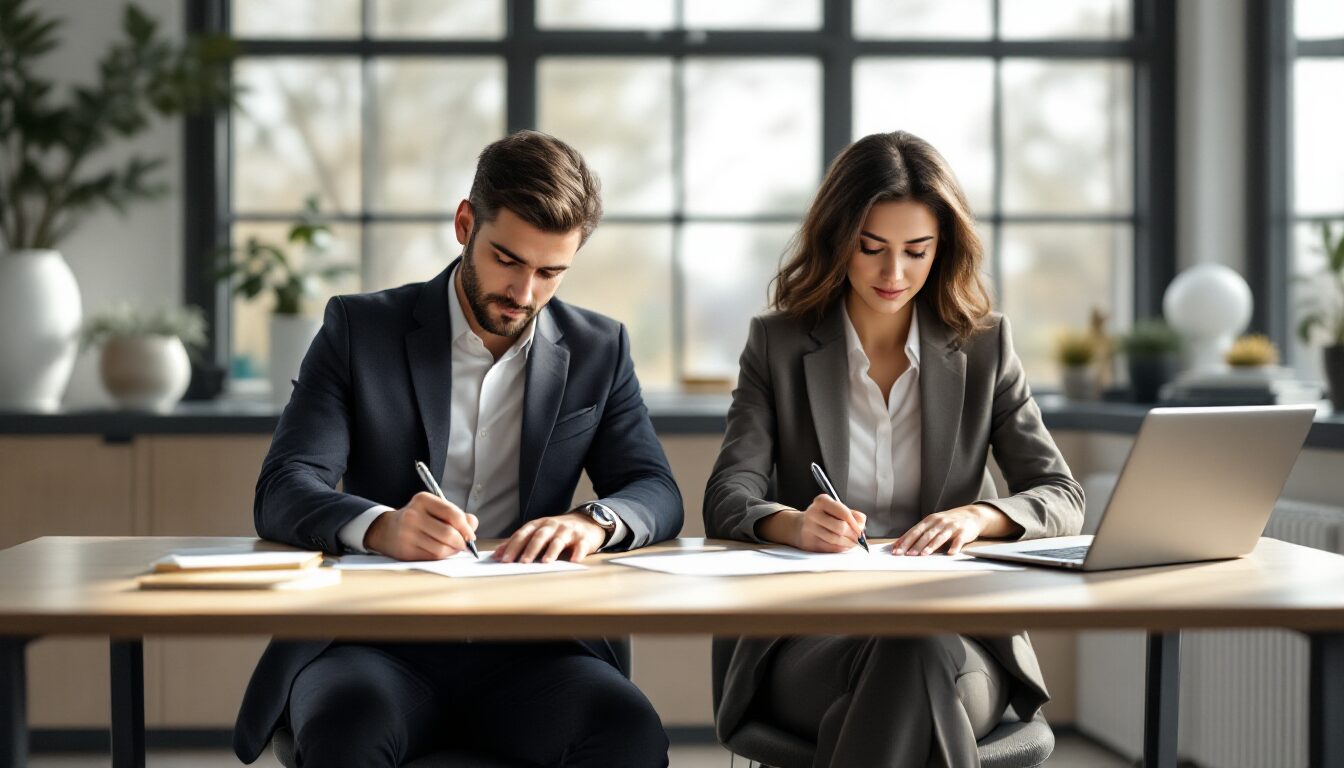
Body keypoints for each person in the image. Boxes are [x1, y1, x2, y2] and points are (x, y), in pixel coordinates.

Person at [233, 130, 683, 768]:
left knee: (628, 737)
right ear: (465, 223)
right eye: (507, 260)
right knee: (346, 735)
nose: (524, 293)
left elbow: (655, 491)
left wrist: (592, 523)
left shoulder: (598, 349)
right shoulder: (361, 331)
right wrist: (382, 527)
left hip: (535, 647)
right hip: (376, 638)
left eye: (550, 272)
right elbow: (284, 487)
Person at [704, 130, 1084, 766]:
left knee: (914, 652)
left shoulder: (984, 348)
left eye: (917, 251)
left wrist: (978, 516)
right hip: (813, 637)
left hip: (959, 639)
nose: (893, 273)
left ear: (944, 249)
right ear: (837, 240)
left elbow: (1062, 496)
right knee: (909, 679)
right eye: (871, 247)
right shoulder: (779, 344)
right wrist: (794, 524)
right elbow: (726, 496)